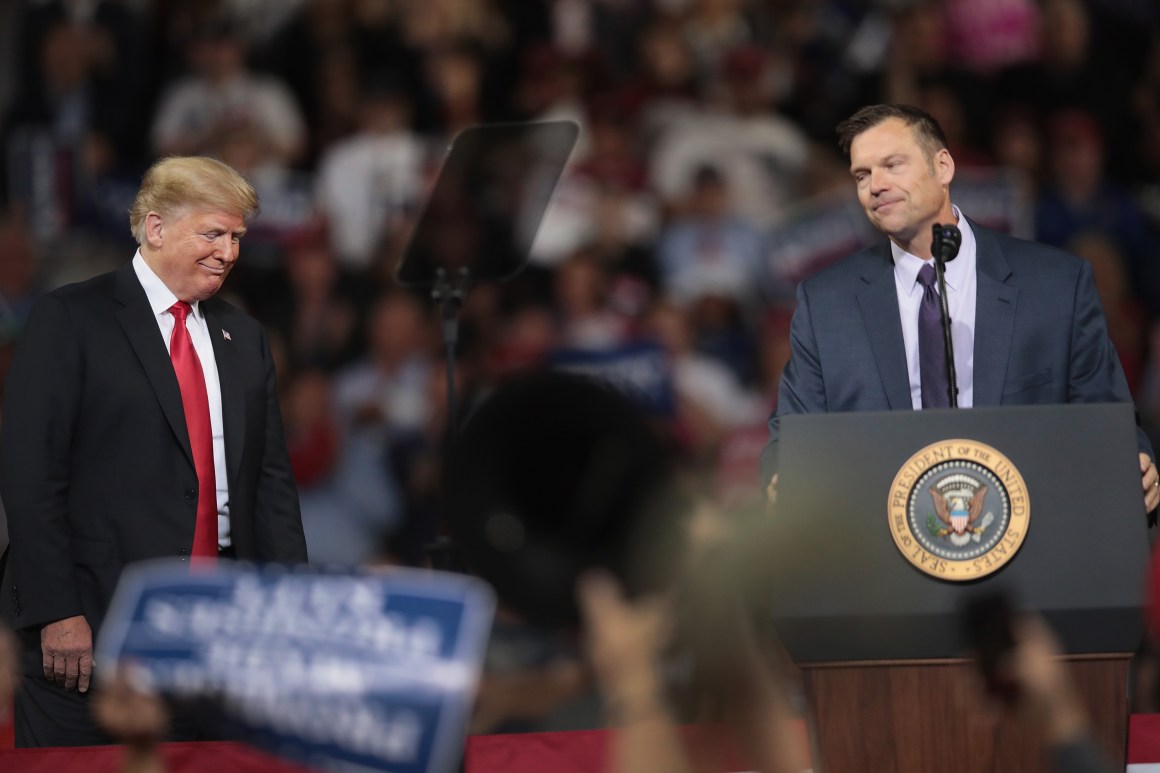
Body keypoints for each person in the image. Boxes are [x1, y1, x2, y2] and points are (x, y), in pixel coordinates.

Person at [0, 156, 309, 746]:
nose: (229, 252)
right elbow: (30, 475)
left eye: (237, 237)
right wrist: (55, 610)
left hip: (216, 645)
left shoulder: (243, 338)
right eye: (213, 233)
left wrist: (289, 620)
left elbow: (270, 490)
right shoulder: (70, 318)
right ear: (156, 227)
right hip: (89, 635)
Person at [759, 104, 1159, 516]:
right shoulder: (826, 305)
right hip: (878, 549)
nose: (875, 185)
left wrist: (1138, 462)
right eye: (862, 175)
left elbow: (1108, 420)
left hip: (1034, 536)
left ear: (943, 166)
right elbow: (790, 437)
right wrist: (781, 476)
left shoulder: (1055, 286)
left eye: (892, 165)